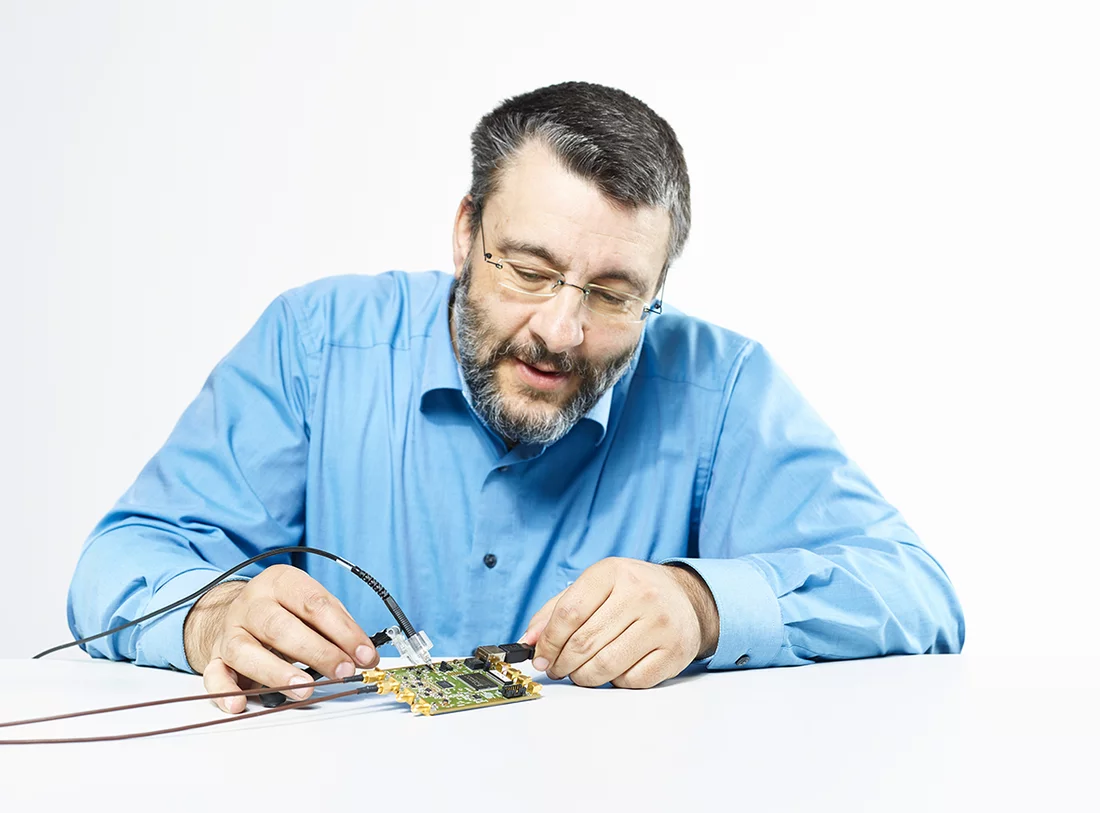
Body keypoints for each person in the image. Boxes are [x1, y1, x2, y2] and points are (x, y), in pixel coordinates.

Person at [67, 81, 964, 713]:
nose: (562, 331)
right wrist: (212, 614)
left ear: (658, 288)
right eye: (528, 271)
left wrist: (703, 605)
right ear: (466, 234)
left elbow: (918, 592)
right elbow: (122, 559)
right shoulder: (316, 343)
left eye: (613, 295)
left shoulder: (719, 385)